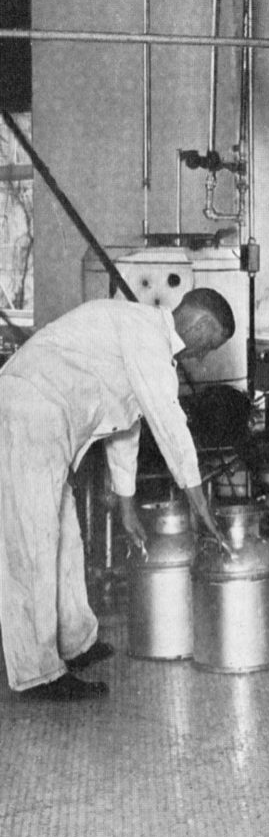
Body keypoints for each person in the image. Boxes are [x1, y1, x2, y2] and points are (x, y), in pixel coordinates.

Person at [0, 290, 232, 701]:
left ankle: (74, 641)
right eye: (208, 345)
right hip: (28, 409)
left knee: (63, 536)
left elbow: (126, 426)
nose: (202, 357)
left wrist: (127, 506)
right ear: (199, 326)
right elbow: (168, 424)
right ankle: (38, 673)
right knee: (34, 541)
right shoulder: (147, 335)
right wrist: (202, 508)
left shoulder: (144, 339)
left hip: (48, 416)